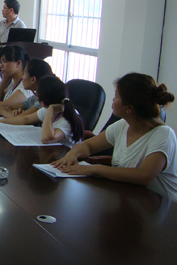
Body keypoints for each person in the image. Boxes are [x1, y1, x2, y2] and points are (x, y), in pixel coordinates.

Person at [52, 73, 177, 201]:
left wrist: (94, 169)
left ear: (129, 108)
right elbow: (88, 146)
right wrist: (73, 154)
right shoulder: (123, 125)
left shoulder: (163, 135)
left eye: (116, 95)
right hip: (128, 198)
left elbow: (144, 176)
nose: (113, 99)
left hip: (160, 206)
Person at [0, 75, 84, 145]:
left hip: (66, 158)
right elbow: (25, 119)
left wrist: (50, 110)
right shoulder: (48, 110)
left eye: (36, 94)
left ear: (42, 103)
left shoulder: (66, 119)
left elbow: (46, 139)